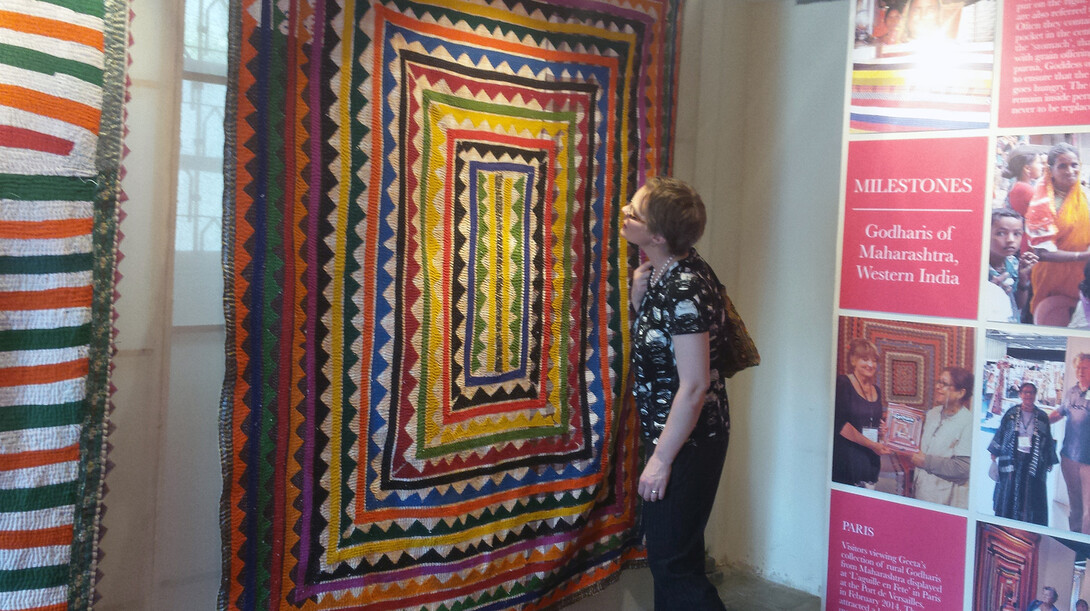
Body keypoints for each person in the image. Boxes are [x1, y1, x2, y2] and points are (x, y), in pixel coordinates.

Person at [622, 176, 729, 610]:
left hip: (687, 441)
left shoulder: (684, 286)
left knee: (673, 567)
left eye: (634, 214)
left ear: (658, 235)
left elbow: (695, 384)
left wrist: (661, 460)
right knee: (675, 560)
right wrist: (637, 298)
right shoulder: (666, 270)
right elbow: (663, 345)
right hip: (676, 435)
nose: (624, 216)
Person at [1025, 143, 1090, 318]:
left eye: (1074, 165)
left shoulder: (1084, 195)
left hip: (1082, 278)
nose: (1070, 170)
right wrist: (1083, 256)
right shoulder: (1042, 203)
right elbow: (1042, 253)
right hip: (1051, 281)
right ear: (1050, 170)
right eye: (1062, 166)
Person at [988, 383, 1058, 526]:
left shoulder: (1042, 417)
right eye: (1025, 392)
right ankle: (1006, 524)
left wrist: (1049, 460)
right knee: (1009, 489)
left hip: (1033, 461)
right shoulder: (1011, 414)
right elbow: (1001, 432)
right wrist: (994, 453)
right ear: (1020, 394)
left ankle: (1027, 526)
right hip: (1012, 459)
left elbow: (1048, 439)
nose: (1028, 395)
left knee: (1030, 493)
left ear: (1035, 395)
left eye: (1031, 392)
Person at [905, 367, 973, 508]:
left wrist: (926, 462)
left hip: (946, 503)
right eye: (938, 382)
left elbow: (963, 468)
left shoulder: (968, 422)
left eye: (944, 384)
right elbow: (923, 448)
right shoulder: (932, 414)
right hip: (921, 494)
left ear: (960, 393)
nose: (937, 387)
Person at [832, 339, 893, 487]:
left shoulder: (876, 390)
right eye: (865, 359)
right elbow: (841, 425)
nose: (871, 365)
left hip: (869, 460)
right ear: (853, 360)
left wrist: (882, 430)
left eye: (874, 361)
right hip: (847, 460)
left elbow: (872, 421)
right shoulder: (843, 383)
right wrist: (873, 445)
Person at [1049, 353, 1090, 533]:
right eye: (1078, 368)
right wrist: (1038, 420)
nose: (1080, 371)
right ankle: (1075, 543)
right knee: (1074, 504)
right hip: (1069, 458)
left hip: (1088, 462)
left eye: (1085, 368)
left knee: (1089, 509)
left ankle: (1087, 550)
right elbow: (1060, 413)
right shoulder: (1072, 391)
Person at [987, 208, 1038, 322]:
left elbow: (1018, 304)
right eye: (1001, 233)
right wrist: (991, 291)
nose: (1010, 240)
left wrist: (1023, 280)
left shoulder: (1014, 263)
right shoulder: (978, 269)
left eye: (1017, 234)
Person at [1006, 145, 1047, 218]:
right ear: (1027, 168)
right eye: (1039, 163)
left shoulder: (1017, 185)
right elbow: (1045, 211)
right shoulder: (1025, 188)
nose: (1042, 166)